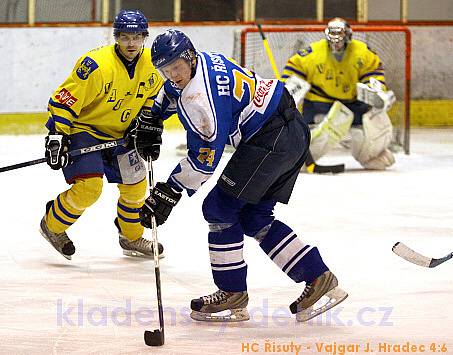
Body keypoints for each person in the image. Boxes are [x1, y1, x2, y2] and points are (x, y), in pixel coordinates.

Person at [136, 29, 348, 322]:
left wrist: (169, 191)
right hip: (292, 131)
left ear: (188, 58)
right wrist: (152, 115)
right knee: (254, 217)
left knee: (219, 208)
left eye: (176, 67)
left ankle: (232, 292)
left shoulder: (201, 99)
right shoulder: (204, 60)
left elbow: (204, 160)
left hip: (270, 139)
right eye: (165, 69)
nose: (172, 75)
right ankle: (317, 276)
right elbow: (172, 89)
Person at [40, 10, 166, 260]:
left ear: (145, 37)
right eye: (125, 37)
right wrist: (57, 136)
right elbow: (65, 101)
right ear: (116, 37)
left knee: (135, 187)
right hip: (84, 130)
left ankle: (130, 237)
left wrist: (145, 127)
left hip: (121, 134)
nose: (131, 43)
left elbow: (152, 100)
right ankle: (52, 226)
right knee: (89, 189)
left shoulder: (152, 66)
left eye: (137, 37)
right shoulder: (96, 65)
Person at [282, 17, 396, 170]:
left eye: (340, 41)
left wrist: (375, 88)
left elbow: (373, 73)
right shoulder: (312, 53)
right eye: (333, 41)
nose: (336, 44)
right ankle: (299, 158)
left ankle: (372, 154)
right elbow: (294, 70)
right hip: (320, 104)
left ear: (349, 37)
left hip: (353, 102)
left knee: (374, 128)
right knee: (327, 129)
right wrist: (288, 92)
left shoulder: (362, 52)